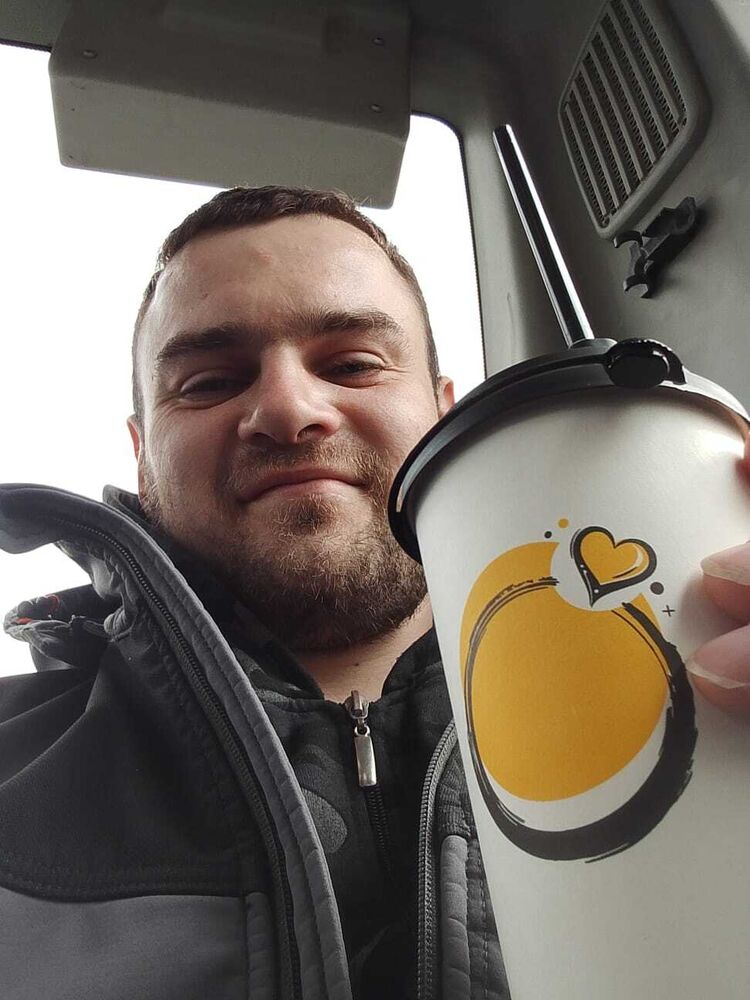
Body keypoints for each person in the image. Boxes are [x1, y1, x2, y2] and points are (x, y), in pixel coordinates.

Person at [0, 185, 748, 1000]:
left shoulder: (683, 678)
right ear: (143, 455)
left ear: (442, 413)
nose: (288, 409)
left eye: (353, 364)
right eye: (210, 382)